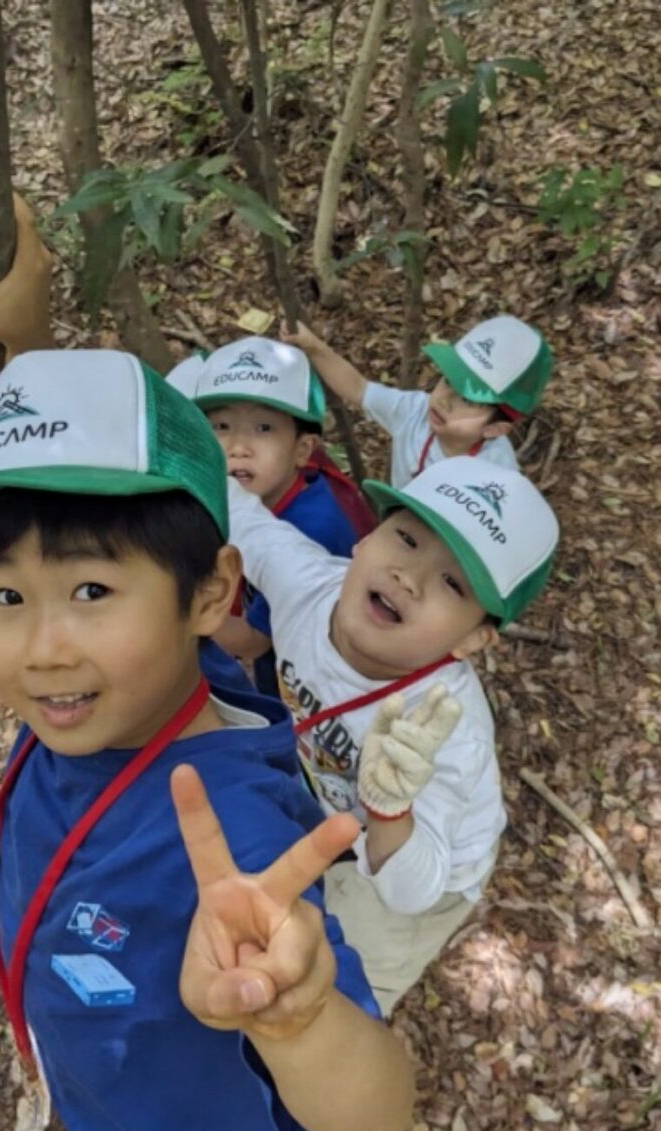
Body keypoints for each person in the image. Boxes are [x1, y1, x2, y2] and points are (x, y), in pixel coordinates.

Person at [0, 342, 417, 1131]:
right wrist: (22, 336)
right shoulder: (97, 704)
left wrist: (299, 1020)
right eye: (5, 595)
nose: (43, 648)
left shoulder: (234, 835)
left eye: (92, 591)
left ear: (211, 593)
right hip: (109, 1101)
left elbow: (375, 1118)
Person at [225, 455, 559, 1013]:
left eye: (452, 583)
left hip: (427, 862)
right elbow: (245, 521)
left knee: (352, 979)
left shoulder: (445, 731)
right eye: (406, 538)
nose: (410, 576)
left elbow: (411, 893)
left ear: (473, 641)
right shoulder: (308, 585)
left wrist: (390, 811)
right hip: (336, 809)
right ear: (363, 540)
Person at [176, 335, 365, 694]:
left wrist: (177, 604)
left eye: (264, 428)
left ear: (302, 450)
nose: (238, 447)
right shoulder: (262, 498)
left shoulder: (313, 527)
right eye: (221, 427)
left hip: (317, 687)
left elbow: (252, 641)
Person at [282, 315, 553, 488]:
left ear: (495, 428)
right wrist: (313, 347)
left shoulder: (497, 476)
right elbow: (358, 389)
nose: (444, 400)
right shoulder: (415, 411)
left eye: (467, 399)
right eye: (448, 381)